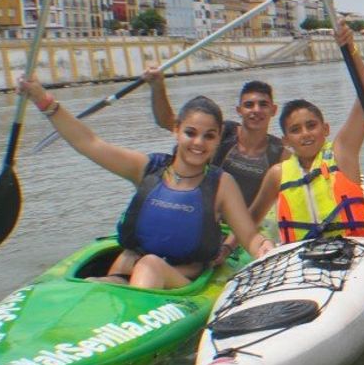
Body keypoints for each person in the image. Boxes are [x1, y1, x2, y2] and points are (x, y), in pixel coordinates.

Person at [19, 75, 275, 288]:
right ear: (176, 130)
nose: (198, 143)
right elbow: (89, 143)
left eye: (209, 136)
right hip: (126, 273)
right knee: (101, 282)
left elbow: (250, 237)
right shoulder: (147, 168)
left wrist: (265, 248)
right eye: (190, 133)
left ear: (218, 139)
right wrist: (43, 100)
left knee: (150, 264)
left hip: (181, 281)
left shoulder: (222, 184)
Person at [250, 23, 364, 244]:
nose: (306, 134)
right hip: (302, 260)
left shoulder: (342, 152)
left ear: (325, 129)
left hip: (353, 251)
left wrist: (350, 49)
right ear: (285, 141)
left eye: (311, 125)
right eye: (296, 130)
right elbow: (250, 220)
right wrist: (231, 247)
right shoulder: (277, 174)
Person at [148, 70, 286, 206]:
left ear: (273, 110)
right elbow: (166, 121)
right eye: (249, 105)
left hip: (246, 222)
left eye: (263, 105)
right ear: (239, 110)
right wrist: (157, 86)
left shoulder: (280, 153)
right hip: (205, 215)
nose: (256, 110)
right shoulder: (221, 133)